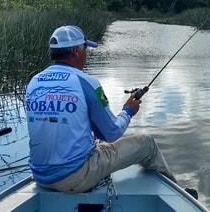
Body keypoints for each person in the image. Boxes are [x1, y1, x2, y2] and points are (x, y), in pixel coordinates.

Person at [24, 25, 177, 194]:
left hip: (40, 176)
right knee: (147, 144)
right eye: (85, 50)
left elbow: (53, 121)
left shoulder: (34, 82)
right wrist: (128, 111)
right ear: (76, 50)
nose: (86, 55)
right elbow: (111, 133)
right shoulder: (87, 82)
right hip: (76, 177)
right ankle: (177, 192)